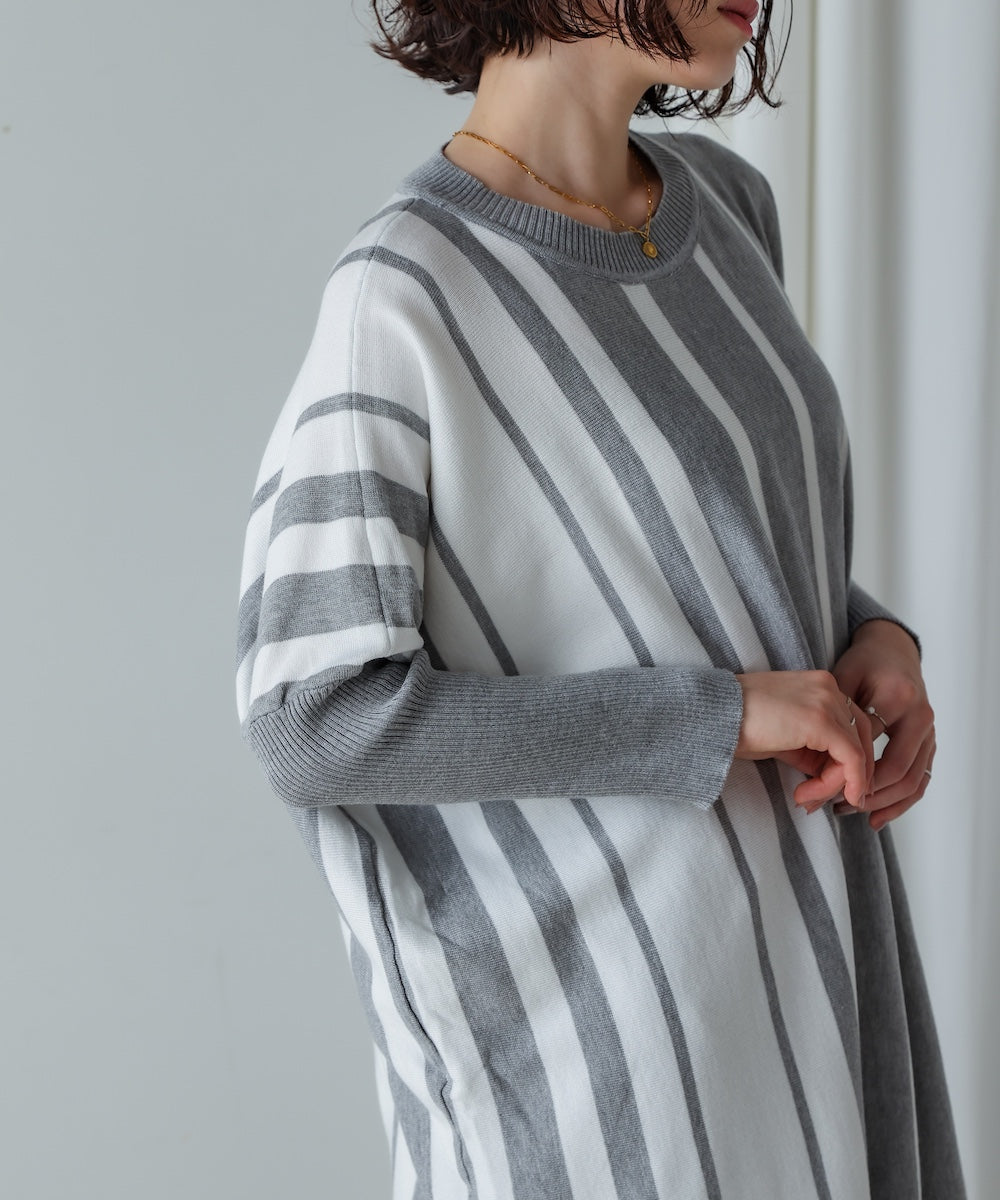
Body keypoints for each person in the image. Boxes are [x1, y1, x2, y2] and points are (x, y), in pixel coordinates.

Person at [235, 1, 966, 1196]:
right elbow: (312, 716)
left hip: (817, 976)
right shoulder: (403, 293)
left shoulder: (726, 208)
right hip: (610, 1067)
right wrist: (717, 716)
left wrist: (872, 633)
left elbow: (707, 551)